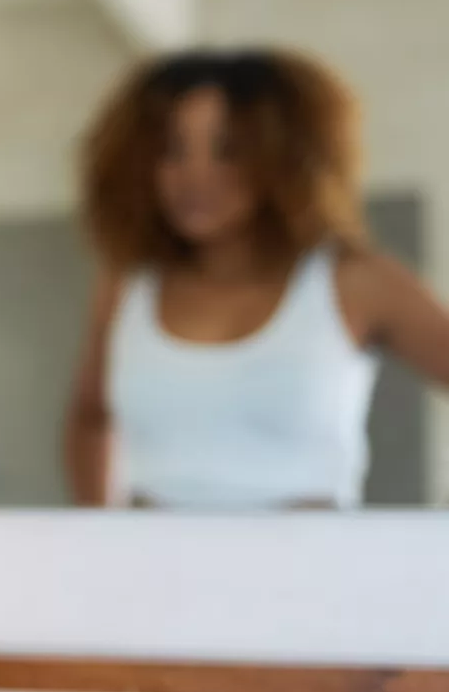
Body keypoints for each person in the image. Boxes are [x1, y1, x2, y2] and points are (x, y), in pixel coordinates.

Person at [65, 48, 449, 509]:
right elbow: (89, 418)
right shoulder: (128, 284)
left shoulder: (355, 281)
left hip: (311, 574)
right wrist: (96, 532)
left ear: (282, 159)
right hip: (153, 571)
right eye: (171, 150)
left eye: (228, 151)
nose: (195, 175)